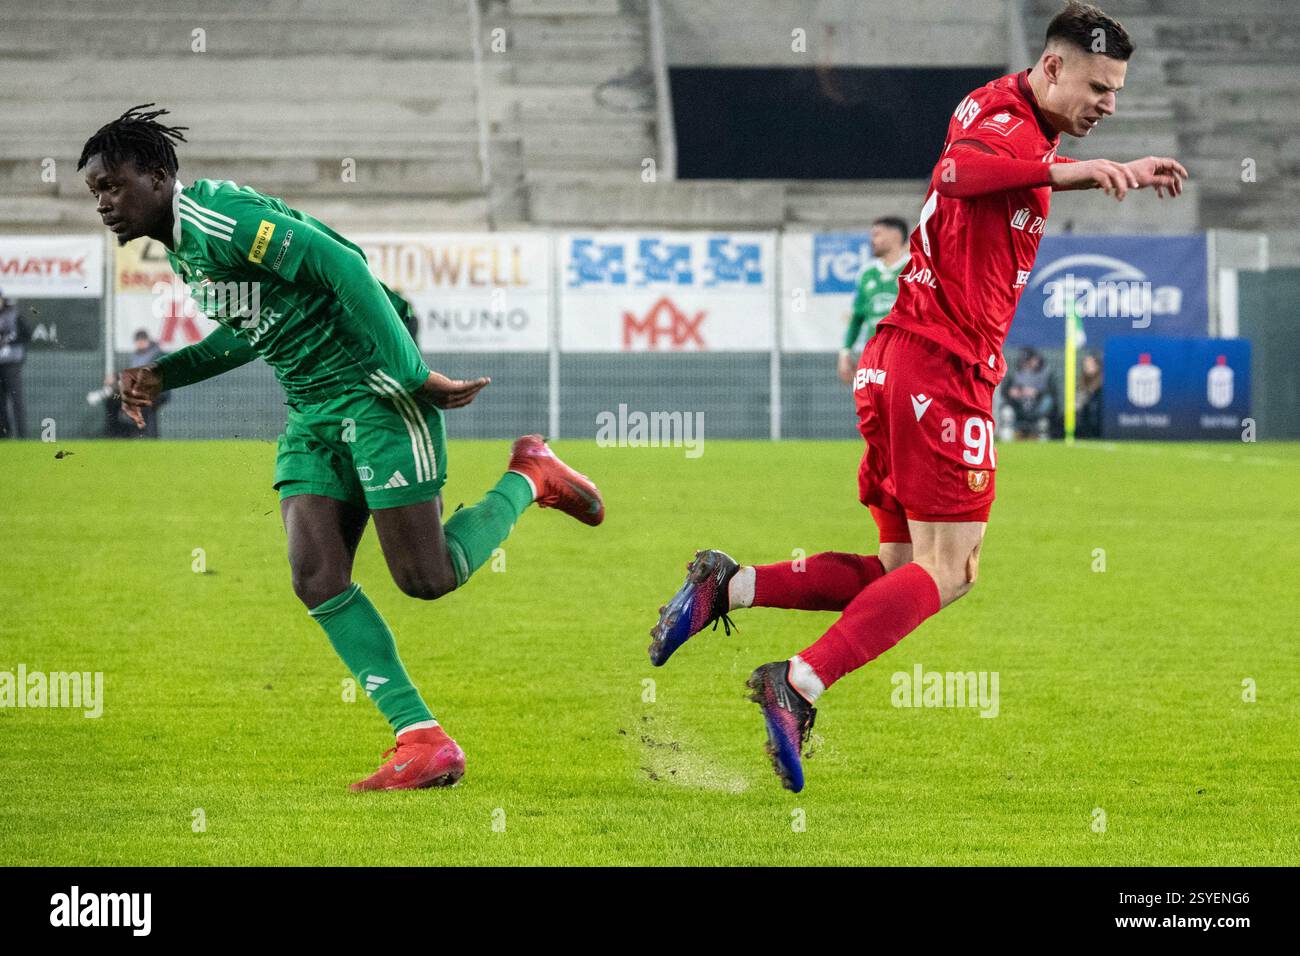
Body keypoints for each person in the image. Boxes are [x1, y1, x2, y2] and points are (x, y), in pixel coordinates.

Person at [648, 2, 1186, 792]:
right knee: (955, 568)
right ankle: (796, 684)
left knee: (899, 571)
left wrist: (1090, 166)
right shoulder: (1001, 116)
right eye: (1099, 87)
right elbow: (957, 174)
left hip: (899, 362)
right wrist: (1070, 172)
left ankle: (728, 585)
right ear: (1052, 68)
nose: (1109, 104)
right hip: (940, 369)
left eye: (1117, 91)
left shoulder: (1011, 119)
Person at [81, 104, 605, 792]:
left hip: (375, 395)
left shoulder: (221, 220)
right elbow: (254, 326)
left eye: (112, 186)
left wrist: (413, 375)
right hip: (311, 412)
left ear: (156, 175)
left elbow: (345, 268)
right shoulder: (185, 243)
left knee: (427, 577)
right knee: (315, 575)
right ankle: (421, 739)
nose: (105, 204)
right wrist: (167, 373)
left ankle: (529, 476)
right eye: (95, 193)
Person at [837, 217, 910, 385]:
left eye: (877, 234)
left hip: (906, 356)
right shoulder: (867, 273)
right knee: (872, 408)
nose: (872, 240)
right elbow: (857, 317)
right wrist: (845, 352)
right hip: (874, 358)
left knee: (903, 408)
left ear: (895, 236)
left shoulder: (915, 268)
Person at [1000, 346, 1059, 439]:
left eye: (1030, 360)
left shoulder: (1045, 374)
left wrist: (1037, 393)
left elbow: (1052, 393)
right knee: (1006, 412)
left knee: (1043, 420)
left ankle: (1042, 439)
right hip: (1018, 407)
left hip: (1037, 409)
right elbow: (1006, 391)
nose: (1027, 363)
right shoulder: (1016, 374)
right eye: (1026, 360)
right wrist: (1011, 392)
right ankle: (1007, 439)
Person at [0, 289, 30, 438]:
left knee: (16, 398)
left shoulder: (14, 314)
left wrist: (9, 342)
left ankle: (22, 434)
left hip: (12, 362)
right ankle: (4, 434)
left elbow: (26, 335)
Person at [129, 329, 167, 437]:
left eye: (143, 340)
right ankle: (144, 435)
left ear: (147, 341)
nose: (140, 343)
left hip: (159, 390)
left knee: (146, 407)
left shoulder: (157, 353)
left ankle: (148, 435)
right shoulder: (135, 355)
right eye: (138, 341)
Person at [1076, 350, 1103, 438]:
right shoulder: (1083, 379)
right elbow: (1082, 393)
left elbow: (1093, 391)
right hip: (1086, 407)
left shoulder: (1103, 378)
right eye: (1086, 364)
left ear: (1097, 365)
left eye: (1090, 364)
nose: (1087, 366)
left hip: (1099, 410)